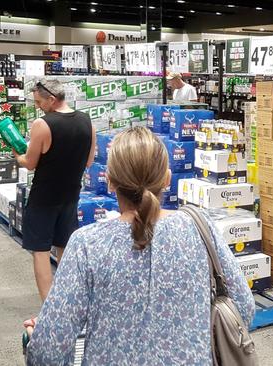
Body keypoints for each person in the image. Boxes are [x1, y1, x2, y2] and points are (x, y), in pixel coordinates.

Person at [24, 127, 255, 364]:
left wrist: (37, 338)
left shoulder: (88, 244)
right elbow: (244, 309)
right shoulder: (198, 228)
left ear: (111, 182)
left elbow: (48, 351)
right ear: (166, 179)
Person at [14, 79, 96, 301]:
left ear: (51, 99)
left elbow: (30, 163)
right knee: (65, 249)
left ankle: (48, 305)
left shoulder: (43, 124)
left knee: (40, 251)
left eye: (39, 102)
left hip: (43, 198)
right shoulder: (87, 121)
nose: (38, 106)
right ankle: (69, 299)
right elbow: (89, 161)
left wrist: (17, 154)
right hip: (71, 196)